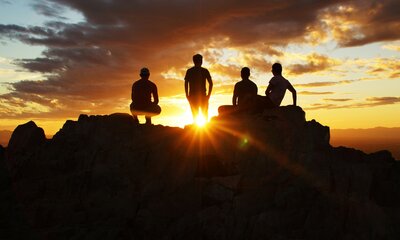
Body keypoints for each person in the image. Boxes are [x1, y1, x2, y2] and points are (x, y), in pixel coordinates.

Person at [184, 54, 213, 122]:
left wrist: (187, 94)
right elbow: (211, 84)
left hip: (194, 96)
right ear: (201, 61)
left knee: (195, 115)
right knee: (204, 115)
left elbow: (186, 83)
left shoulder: (190, 71)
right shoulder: (204, 71)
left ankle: (197, 130)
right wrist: (208, 95)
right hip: (202, 96)